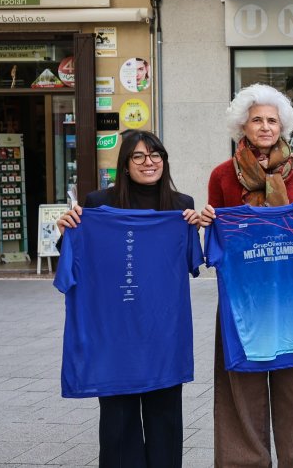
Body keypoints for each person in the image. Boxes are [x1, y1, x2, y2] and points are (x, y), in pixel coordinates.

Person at [199, 83, 293, 468]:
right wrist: (209, 220)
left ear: (283, 126)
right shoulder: (222, 175)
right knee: (239, 395)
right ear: (242, 126)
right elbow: (217, 234)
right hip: (243, 301)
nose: (265, 127)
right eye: (257, 120)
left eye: (272, 120)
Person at [55, 130, 201, 468]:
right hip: (113, 329)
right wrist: (66, 232)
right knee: (118, 421)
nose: (149, 162)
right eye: (139, 156)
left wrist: (195, 229)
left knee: (165, 416)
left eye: (155, 155)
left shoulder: (182, 207)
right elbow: (77, 257)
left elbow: (189, 262)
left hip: (162, 329)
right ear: (125, 163)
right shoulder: (97, 203)